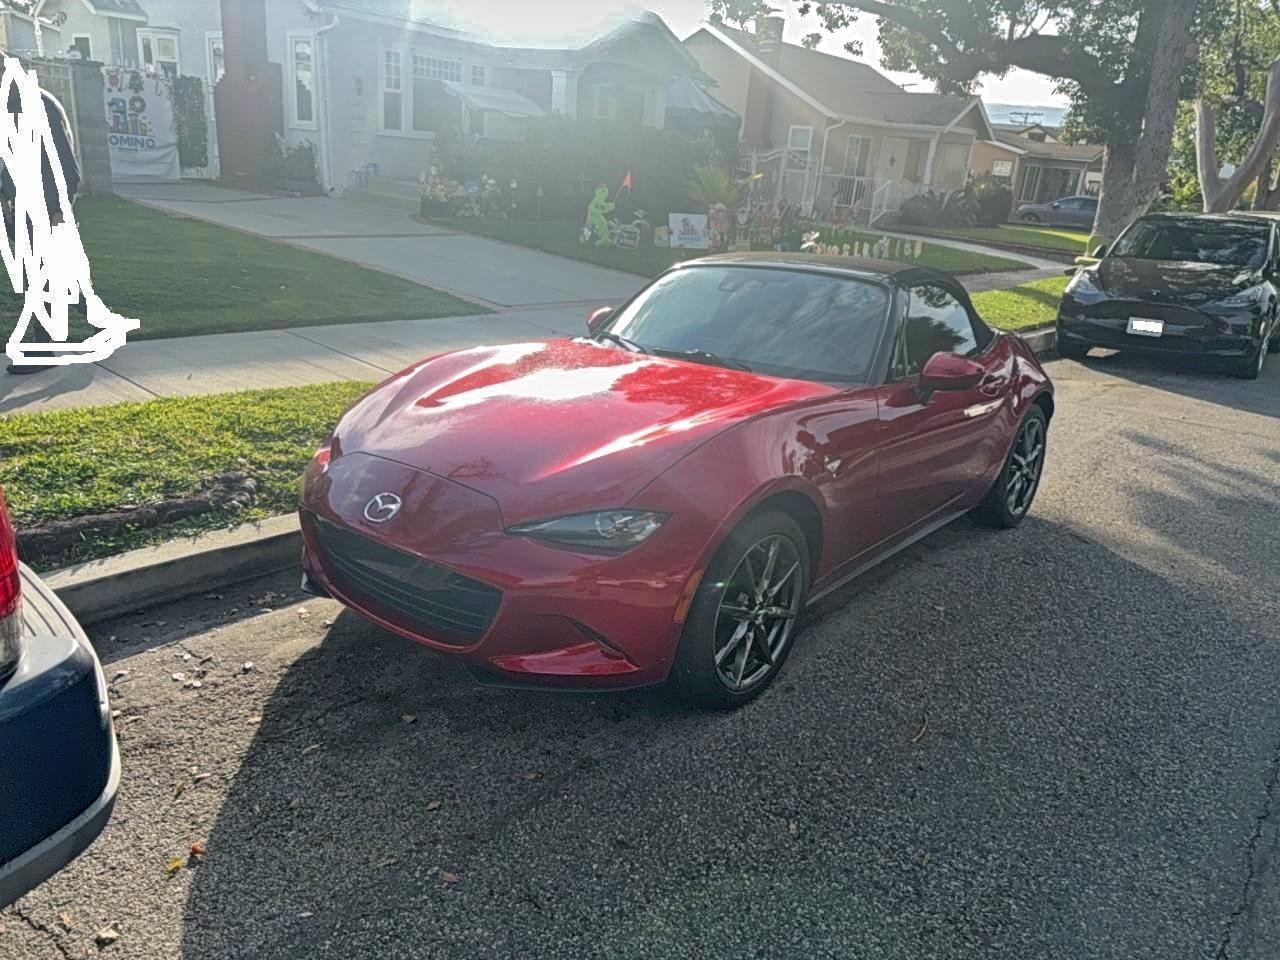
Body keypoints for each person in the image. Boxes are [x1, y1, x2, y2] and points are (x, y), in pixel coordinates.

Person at [2, 56, 81, 375]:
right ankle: (101, 322)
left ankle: (43, 349)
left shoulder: (39, 105)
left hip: (46, 208)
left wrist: (58, 211)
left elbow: (65, 166)